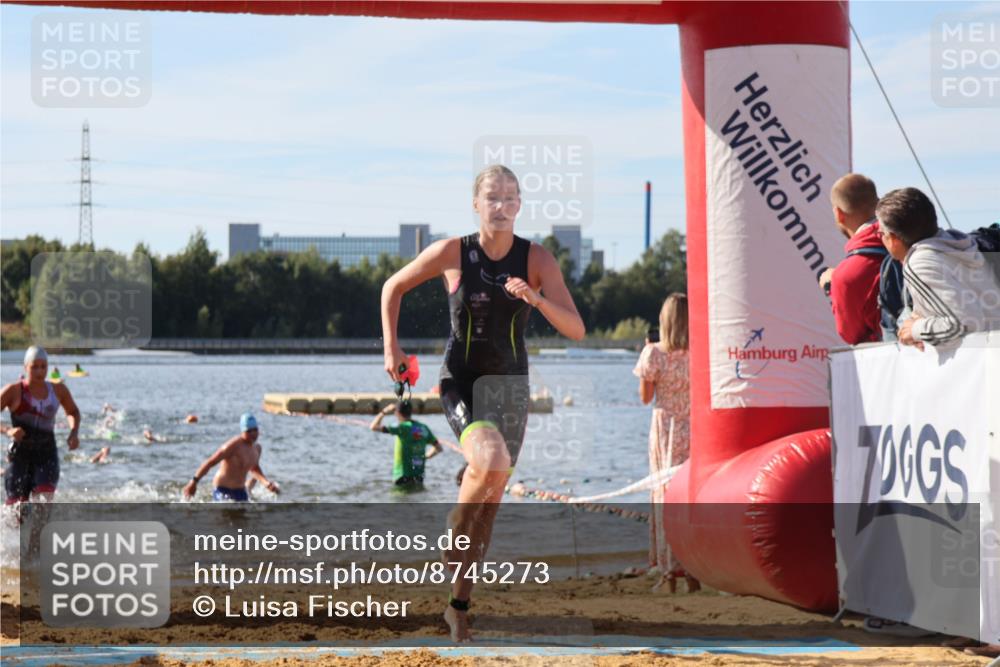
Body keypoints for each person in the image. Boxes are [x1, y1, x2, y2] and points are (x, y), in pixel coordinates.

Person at [380, 164, 585, 641]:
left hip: (512, 388)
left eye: (511, 197)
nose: (502, 205)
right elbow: (393, 288)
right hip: (463, 380)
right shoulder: (455, 252)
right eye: (492, 197)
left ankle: (458, 606)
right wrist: (391, 348)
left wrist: (536, 298)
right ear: (476, 204)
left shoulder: (538, 259)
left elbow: (575, 327)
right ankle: (454, 520)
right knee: (489, 460)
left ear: (519, 205)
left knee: (490, 507)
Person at [876, 187, 1000, 348]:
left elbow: (964, 322)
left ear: (893, 238)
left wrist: (916, 330)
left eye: (881, 234)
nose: (880, 238)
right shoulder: (959, 245)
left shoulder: (920, 263)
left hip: (980, 363)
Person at [634, 294, 699, 594]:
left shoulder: (654, 354)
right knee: (691, 498)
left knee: (664, 496)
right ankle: (695, 569)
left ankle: (668, 571)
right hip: (696, 427)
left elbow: (646, 398)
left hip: (665, 428)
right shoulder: (700, 352)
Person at [1, 346, 81, 505]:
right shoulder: (14, 391)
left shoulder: (58, 390)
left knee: (43, 504)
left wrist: (74, 432)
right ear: (25, 367)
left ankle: (38, 531)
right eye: (34, 367)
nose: (39, 372)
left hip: (47, 455)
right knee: (16, 512)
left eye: (43, 367)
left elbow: (73, 412)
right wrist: (8, 430)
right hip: (19, 456)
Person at [817, 174, 892, 344]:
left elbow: (852, 336)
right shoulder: (910, 238)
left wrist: (833, 286)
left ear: (838, 213)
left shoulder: (847, 276)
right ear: (878, 203)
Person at [182, 413, 279, 502]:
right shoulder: (232, 446)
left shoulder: (257, 449)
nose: (253, 434)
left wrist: (267, 484)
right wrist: (194, 482)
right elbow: (210, 462)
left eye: (255, 430)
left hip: (240, 490)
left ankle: (248, 488)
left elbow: (254, 468)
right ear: (242, 431)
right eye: (249, 431)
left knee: (244, 519)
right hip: (223, 489)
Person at [369, 400, 442, 489]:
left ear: (397, 413)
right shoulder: (423, 427)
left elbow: (373, 426)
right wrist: (425, 457)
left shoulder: (402, 427)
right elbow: (438, 448)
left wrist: (384, 411)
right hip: (419, 475)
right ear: (411, 411)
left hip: (402, 475)